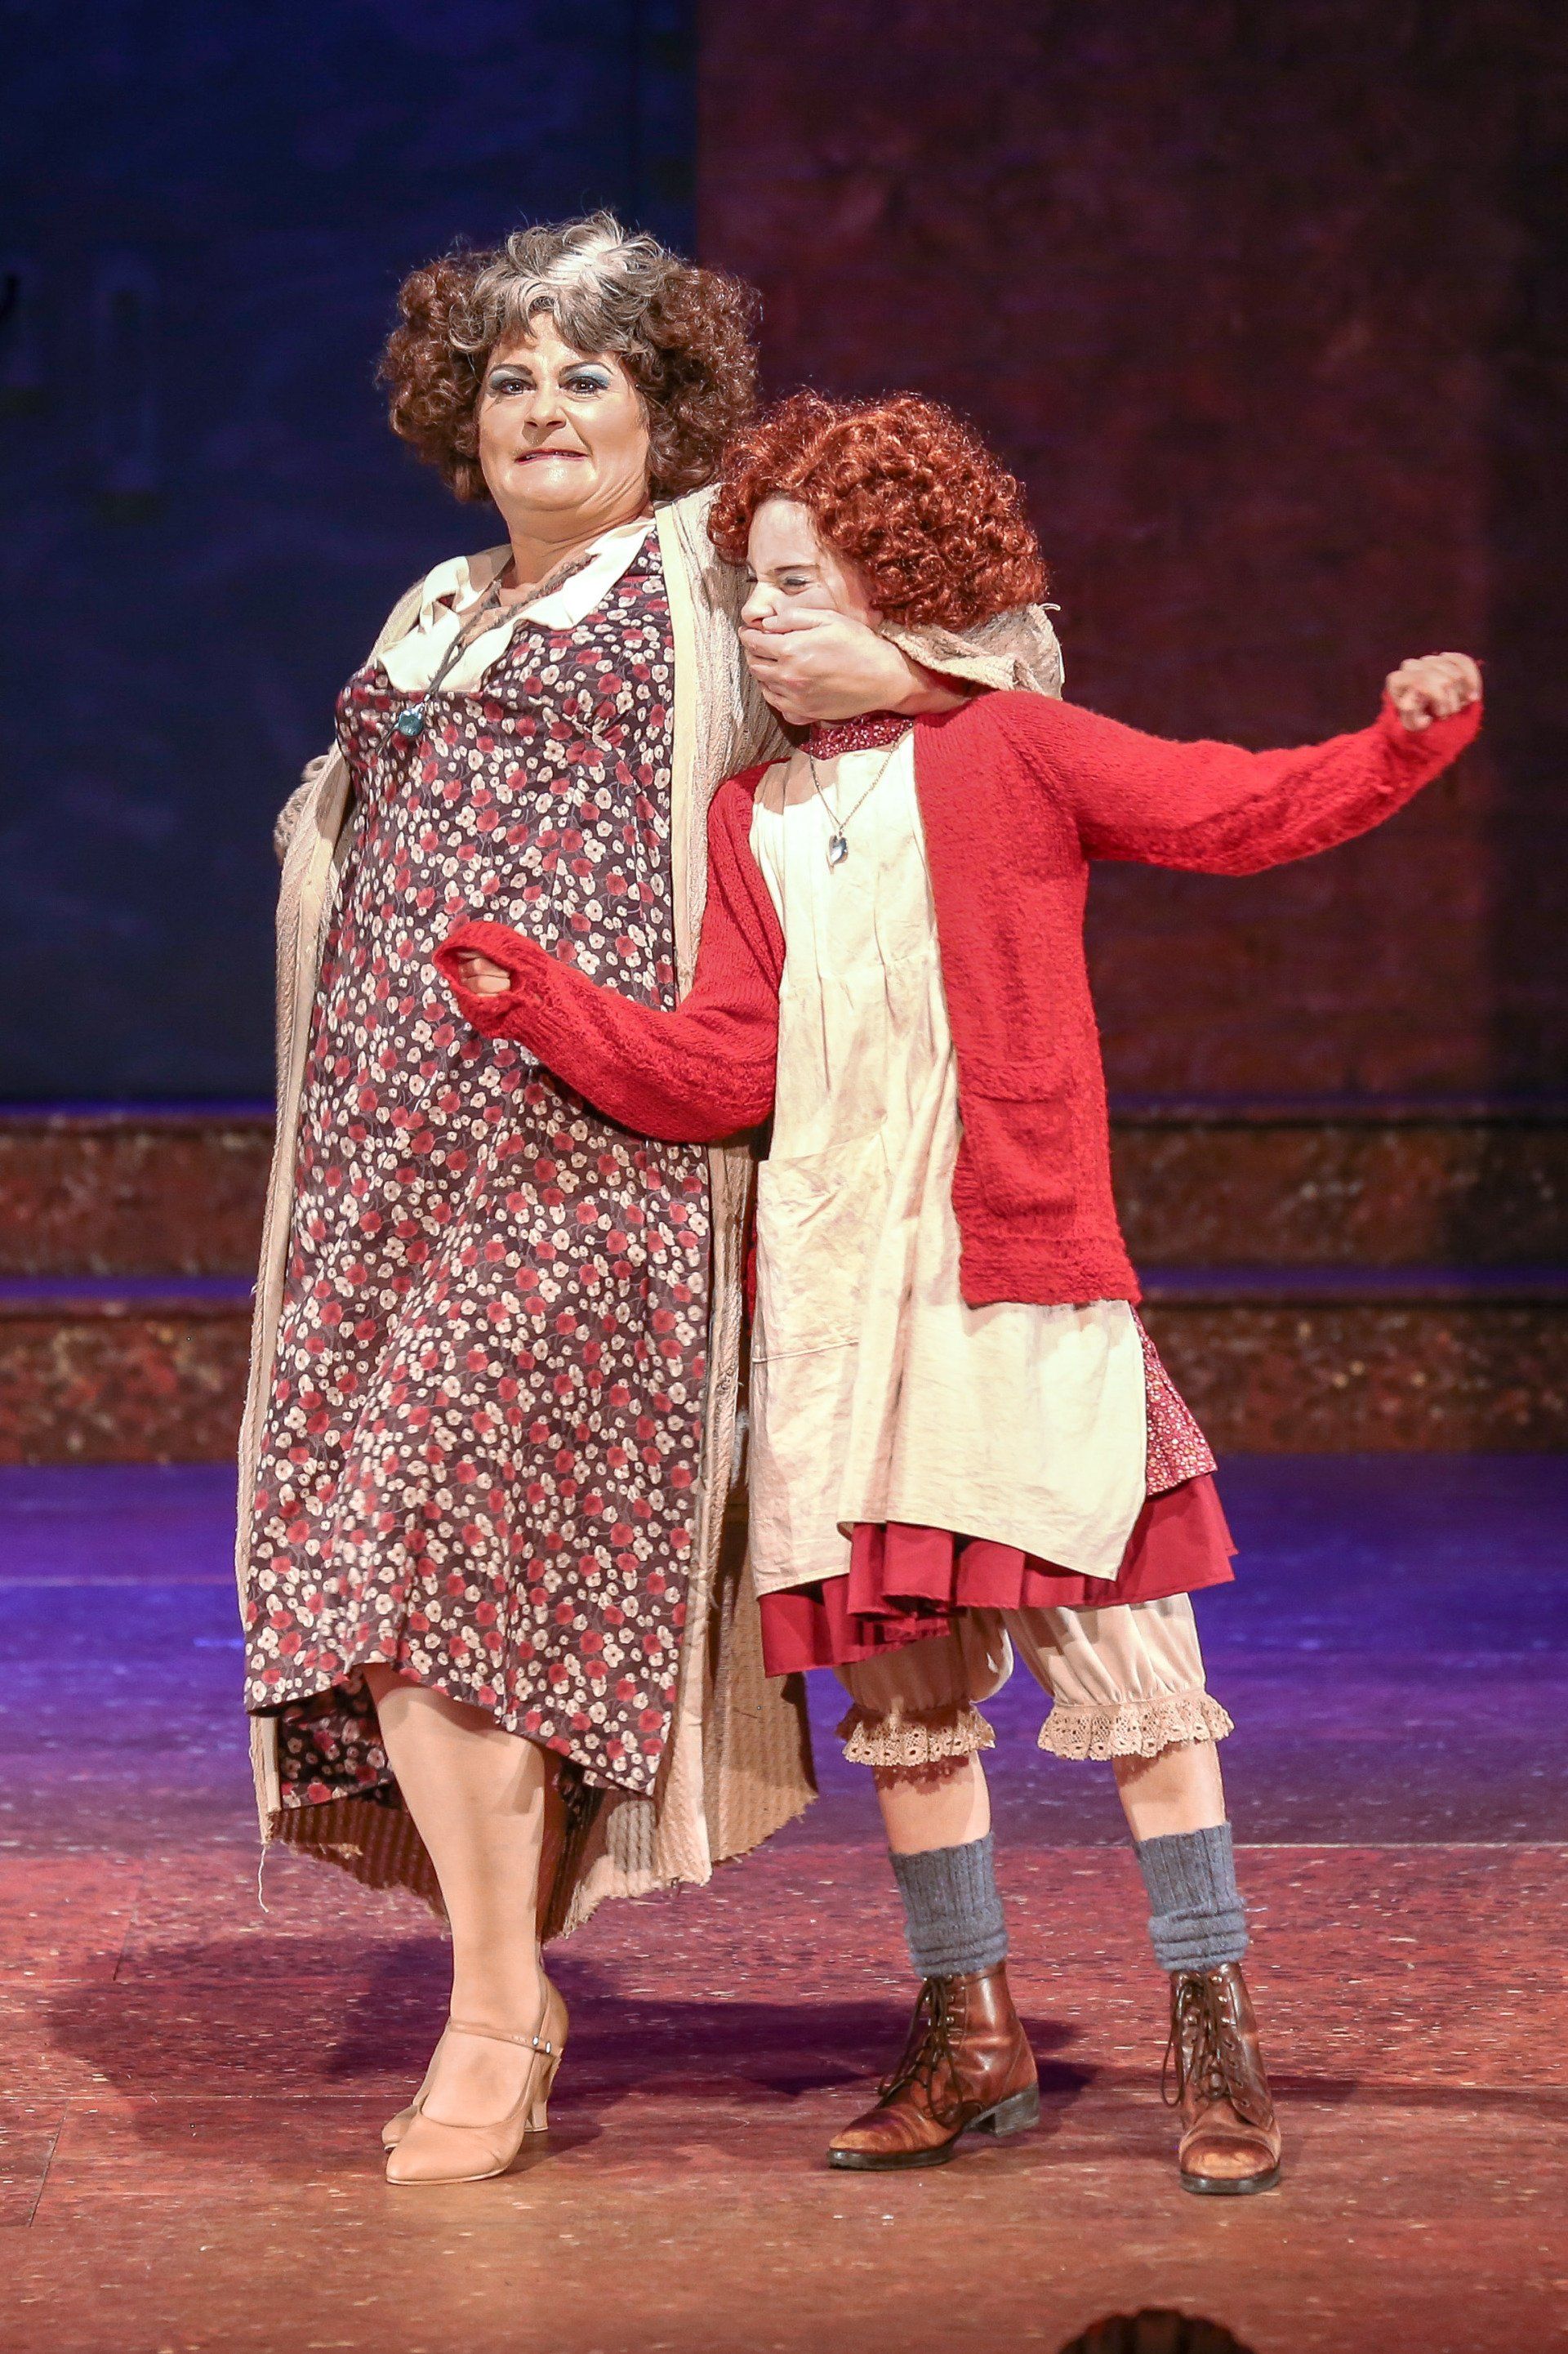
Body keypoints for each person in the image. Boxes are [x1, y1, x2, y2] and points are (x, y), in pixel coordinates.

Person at [436, 390, 1482, 2188]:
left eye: (803, 583)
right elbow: (726, 1066)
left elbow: (1231, 808)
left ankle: (1211, 2027)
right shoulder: (755, 813)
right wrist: (551, 1007)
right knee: (907, 1697)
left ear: (908, 590)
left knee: (1136, 1669)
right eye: (754, 588)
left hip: (1012, 1284)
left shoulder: (1018, 751)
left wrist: (1394, 747)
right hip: (843, 1304)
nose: (766, 619)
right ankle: (969, 2028)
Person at [238, 219, 1064, 2188]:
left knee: (431, 1537)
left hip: (596, 1161)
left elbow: (1002, 668)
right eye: (510, 378)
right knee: (395, 1585)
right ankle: (503, 1980)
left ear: (659, 410)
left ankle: (491, 2017)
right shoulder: (437, 605)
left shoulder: (711, 565)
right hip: (379, 1175)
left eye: (586, 377)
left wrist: (883, 670)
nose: (543, 409)